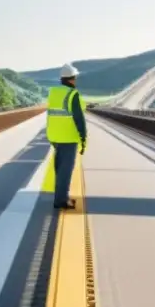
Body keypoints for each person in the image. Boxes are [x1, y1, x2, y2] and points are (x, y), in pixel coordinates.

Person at [46, 62, 87, 210]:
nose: (75, 80)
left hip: (55, 137)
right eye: (75, 78)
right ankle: (61, 200)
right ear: (71, 79)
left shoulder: (53, 92)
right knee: (65, 170)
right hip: (68, 137)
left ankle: (60, 196)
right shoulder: (72, 94)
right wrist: (83, 138)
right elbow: (79, 118)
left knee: (59, 167)